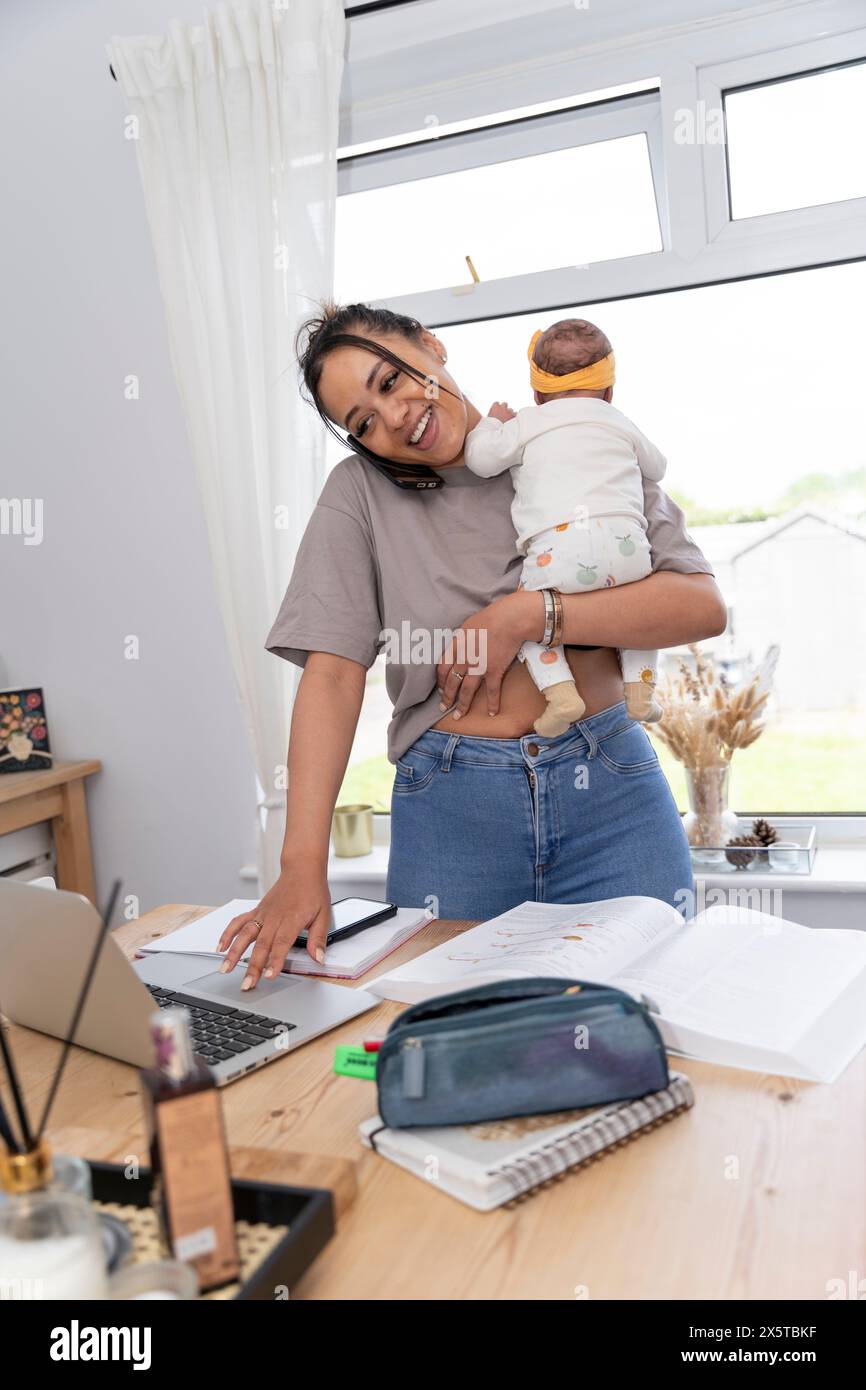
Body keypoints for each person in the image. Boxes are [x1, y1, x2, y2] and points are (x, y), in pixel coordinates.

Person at [218, 302, 726, 989]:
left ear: (431, 346)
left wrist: (526, 615)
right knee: (453, 1038)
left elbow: (698, 606)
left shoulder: (571, 433)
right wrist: (300, 867)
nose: (391, 417)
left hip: (611, 794)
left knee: (654, 1027)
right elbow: (332, 676)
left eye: (390, 381)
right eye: (361, 422)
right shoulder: (357, 496)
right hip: (453, 811)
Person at [464, 316, 669, 732]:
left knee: (528, 617)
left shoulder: (527, 421)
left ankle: (561, 695)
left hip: (560, 553)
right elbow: (657, 467)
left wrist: (492, 421)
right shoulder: (618, 420)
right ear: (609, 390)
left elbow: (481, 461)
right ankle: (640, 691)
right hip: (627, 546)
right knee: (634, 617)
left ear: (538, 393)